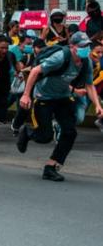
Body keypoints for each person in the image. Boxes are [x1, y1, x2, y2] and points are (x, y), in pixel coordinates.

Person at [17, 32, 103, 181]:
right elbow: (35, 71)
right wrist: (26, 94)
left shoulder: (86, 62)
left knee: (70, 133)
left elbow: (89, 85)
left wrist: (97, 105)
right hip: (43, 97)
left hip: (63, 98)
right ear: (72, 47)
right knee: (45, 136)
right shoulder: (60, 57)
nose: (86, 49)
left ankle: (51, 167)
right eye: (82, 46)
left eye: (87, 46)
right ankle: (27, 132)